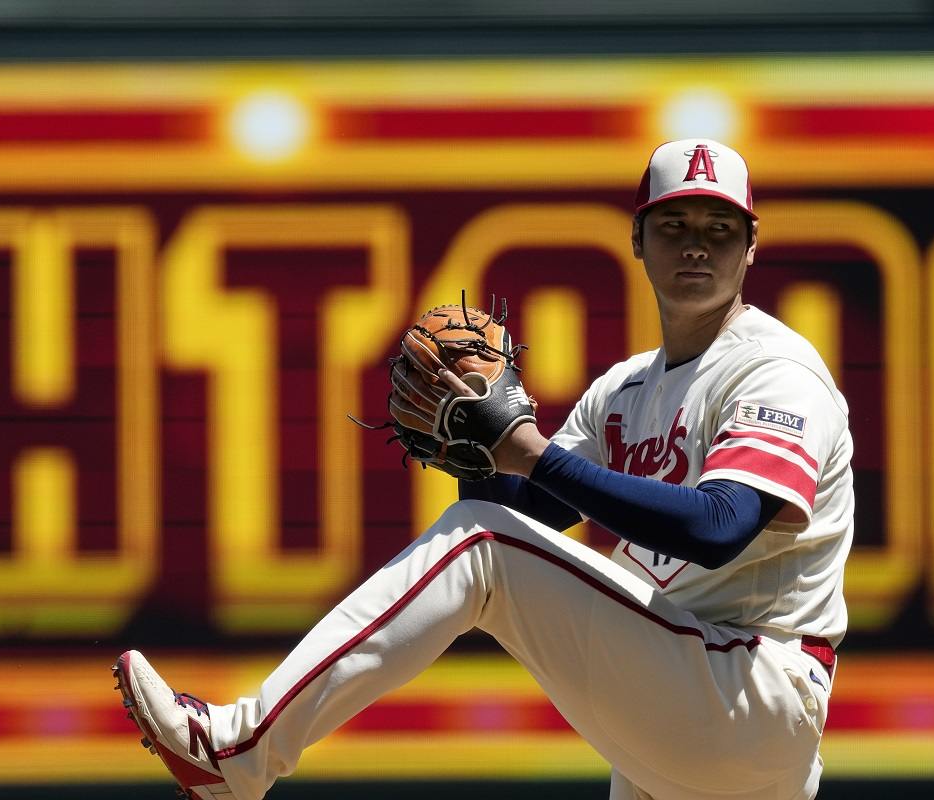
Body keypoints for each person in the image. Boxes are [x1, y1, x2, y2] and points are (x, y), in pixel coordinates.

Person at [114, 138, 854, 800]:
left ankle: (238, 752)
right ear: (637, 239)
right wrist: (471, 444)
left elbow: (720, 527)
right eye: (675, 227)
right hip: (686, 700)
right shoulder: (625, 389)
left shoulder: (775, 370)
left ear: (752, 247)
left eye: (720, 231)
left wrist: (525, 450)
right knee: (484, 533)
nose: (698, 247)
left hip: (757, 690)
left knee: (480, 544)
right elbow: (528, 510)